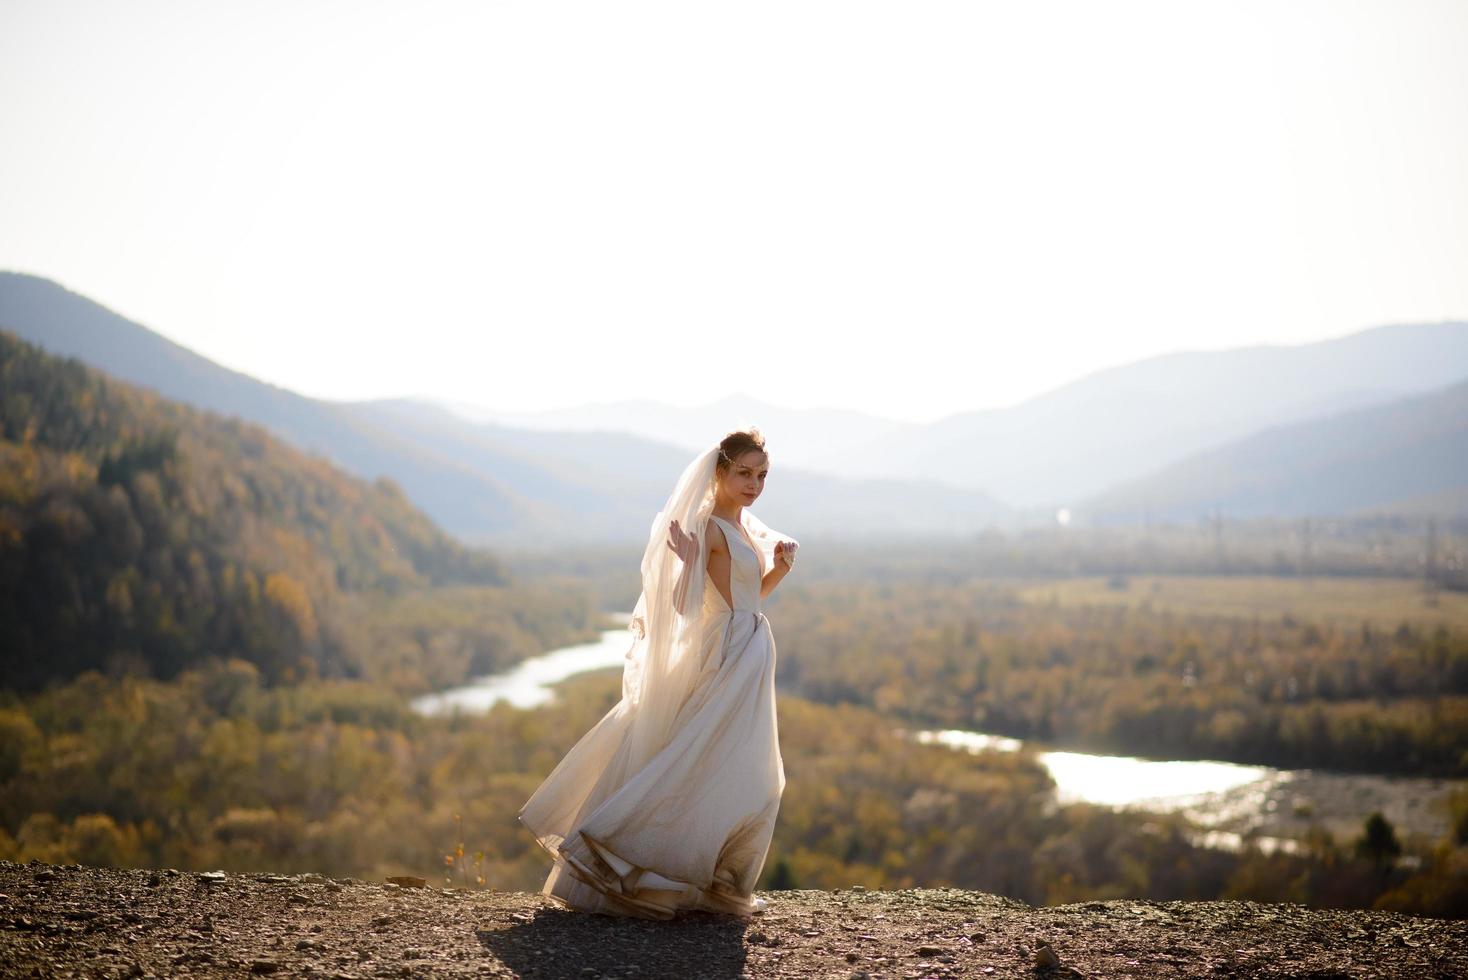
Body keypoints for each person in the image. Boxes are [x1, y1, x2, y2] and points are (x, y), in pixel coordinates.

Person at [518, 428, 799, 920]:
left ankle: (707, 880)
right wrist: (688, 567)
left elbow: (750, 600)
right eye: (744, 473)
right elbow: (683, 610)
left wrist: (779, 570)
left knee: (747, 771)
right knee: (713, 764)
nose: (754, 484)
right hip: (726, 651)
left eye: (761, 475)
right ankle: (626, 857)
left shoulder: (747, 530)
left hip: (753, 645)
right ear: (720, 472)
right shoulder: (708, 529)